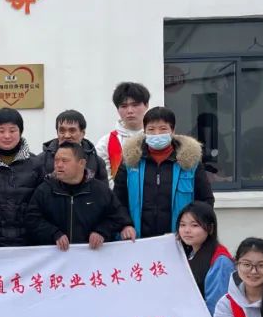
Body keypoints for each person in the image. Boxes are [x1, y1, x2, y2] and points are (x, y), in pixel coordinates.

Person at [114, 106, 214, 239]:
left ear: (172, 131)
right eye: (151, 129)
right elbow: (117, 200)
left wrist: (192, 229)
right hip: (137, 240)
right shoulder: (131, 161)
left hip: (179, 240)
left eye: (163, 129)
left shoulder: (190, 163)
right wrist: (125, 224)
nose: (157, 134)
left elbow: (206, 201)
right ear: (144, 131)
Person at [26, 142, 135, 250]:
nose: (58, 165)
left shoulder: (100, 191)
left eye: (64, 161)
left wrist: (101, 231)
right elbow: (32, 219)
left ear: (82, 163)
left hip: (91, 255)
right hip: (56, 255)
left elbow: (118, 217)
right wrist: (53, 233)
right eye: (56, 160)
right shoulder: (45, 190)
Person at [0, 108, 44, 248]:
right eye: (1, 131)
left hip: (27, 243)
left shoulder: (36, 164)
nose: (7, 136)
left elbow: (42, 206)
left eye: (12, 130)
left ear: (20, 132)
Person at [176, 202, 234, 315]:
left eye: (194, 225)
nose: (187, 230)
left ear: (210, 228)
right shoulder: (189, 253)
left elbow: (216, 308)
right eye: (182, 225)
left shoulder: (220, 262)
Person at [96, 82, 151, 182]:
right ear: (117, 109)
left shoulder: (156, 138)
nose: (130, 111)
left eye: (135, 105)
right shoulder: (106, 142)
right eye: (124, 106)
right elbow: (102, 176)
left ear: (146, 105)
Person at [40, 109, 108, 181]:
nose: (67, 136)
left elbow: (103, 187)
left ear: (82, 133)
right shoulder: (42, 160)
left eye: (72, 131)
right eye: (62, 131)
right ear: (57, 133)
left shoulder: (97, 162)